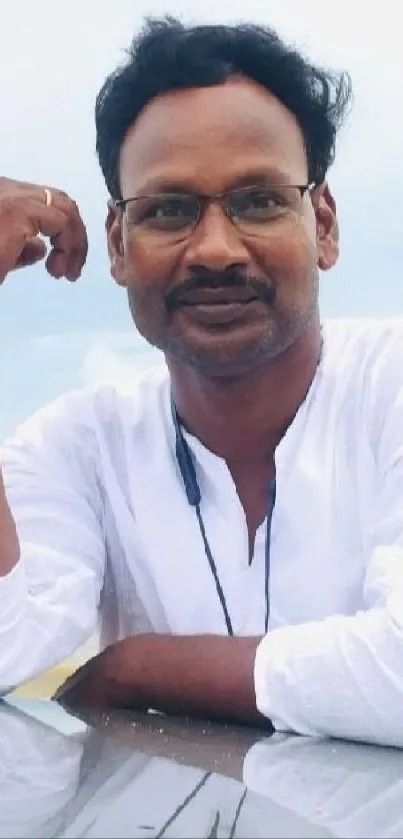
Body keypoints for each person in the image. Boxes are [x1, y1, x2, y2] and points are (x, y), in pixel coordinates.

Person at [0, 17, 403, 747]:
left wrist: (139, 667)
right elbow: (5, 647)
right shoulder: (76, 444)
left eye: (257, 201)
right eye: (170, 211)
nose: (215, 250)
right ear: (119, 246)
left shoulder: (390, 386)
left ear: (324, 223)